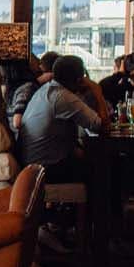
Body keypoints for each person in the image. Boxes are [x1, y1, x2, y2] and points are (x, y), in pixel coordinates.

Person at [17, 53, 102, 183]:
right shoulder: (62, 96)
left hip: (30, 164)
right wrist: (97, 91)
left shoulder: (46, 90)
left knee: (87, 156)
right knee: (99, 164)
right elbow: (100, 125)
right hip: (44, 170)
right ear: (79, 79)